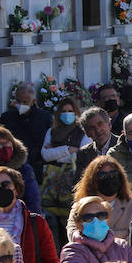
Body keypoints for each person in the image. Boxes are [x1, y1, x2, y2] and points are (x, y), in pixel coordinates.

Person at [41, 96, 90, 243]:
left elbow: (81, 155)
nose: (67, 114)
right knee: (52, 218)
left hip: (72, 179)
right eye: (64, 111)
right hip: (52, 182)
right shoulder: (52, 131)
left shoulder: (82, 132)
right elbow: (45, 155)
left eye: (70, 111)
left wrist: (56, 152)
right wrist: (67, 149)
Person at [75, 156, 132, 242]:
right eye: (102, 175)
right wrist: (122, 233)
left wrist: (97, 235)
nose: (109, 178)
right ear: (92, 180)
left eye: (114, 174)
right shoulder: (80, 206)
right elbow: (73, 234)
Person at [0, 127, 43, 214]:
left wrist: (31, 221)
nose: (5, 146)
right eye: (0, 143)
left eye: (8, 142)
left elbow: (33, 199)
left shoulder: (25, 170)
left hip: (20, 219)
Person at [0, 83, 52, 183]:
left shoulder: (44, 117)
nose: (21, 105)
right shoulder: (7, 117)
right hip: (14, 164)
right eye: (18, 101)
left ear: (33, 102)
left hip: (37, 165)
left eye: (25, 102)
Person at [73, 107, 115, 181]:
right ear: (86, 133)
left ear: (109, 124)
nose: (98, 130)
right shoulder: (83, 153)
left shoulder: (123, 145)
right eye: (92, 128)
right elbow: (79, 183)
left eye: (100, 124)